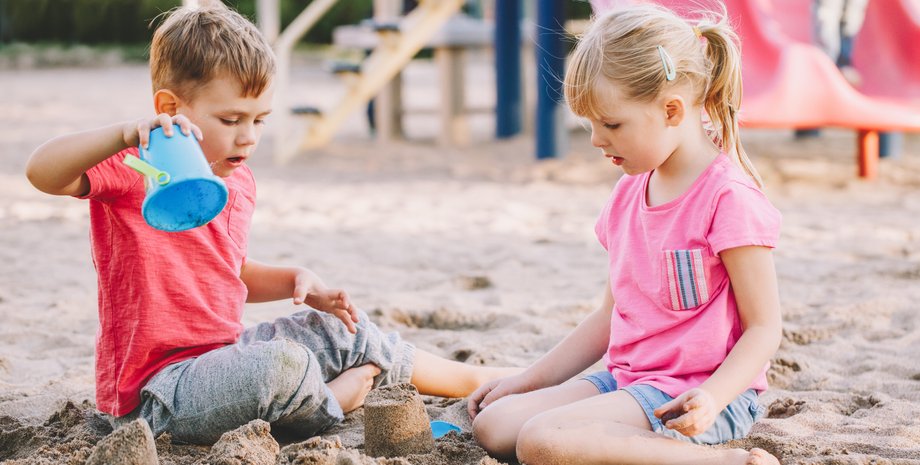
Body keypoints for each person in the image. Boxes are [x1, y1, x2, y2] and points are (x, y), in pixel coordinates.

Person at [24, 4, 514, 445]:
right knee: (281, 366)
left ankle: (484, 380)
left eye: (259, 120)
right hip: (156, 394)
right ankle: (333, 403)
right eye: (232, 119)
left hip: (224, 356)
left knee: (340, 328)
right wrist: (125, 133)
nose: (249, 137)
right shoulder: (134, 167)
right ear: (171, 109)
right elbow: (42, 172)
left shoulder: (238, 183)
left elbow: (226, 272)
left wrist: (294, 280)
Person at [468, 4, 782, 465]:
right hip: (627, 380)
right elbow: (607, 318)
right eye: (591, 125)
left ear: (671, 110)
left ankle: (732, 463)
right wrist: (528, 379)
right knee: (495, 425)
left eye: (611, 124)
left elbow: (764, 328)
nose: (597, 140)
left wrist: (712, 397)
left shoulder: (727, 197)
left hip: (700, 395)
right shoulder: (629, 190)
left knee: (542, 441)